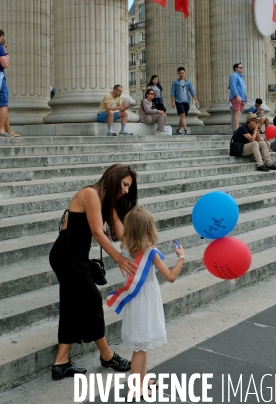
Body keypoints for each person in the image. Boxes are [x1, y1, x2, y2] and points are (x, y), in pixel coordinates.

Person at [49, 164, 137, 379]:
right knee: (92, 301)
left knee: (72, 305)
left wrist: (142, 249)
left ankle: (61, 362)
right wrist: (118, 258)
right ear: (115, 178)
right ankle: (107, 356)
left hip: (76, 257)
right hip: (66, 255)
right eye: (125, 184)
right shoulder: (90, 193)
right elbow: (98, 233)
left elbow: (119, 229)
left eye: (128, 187)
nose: (126, 190)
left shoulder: (107, 202)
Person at [115, 207, 185, 399]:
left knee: (143, 343)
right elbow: (170, 276)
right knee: (140, 347)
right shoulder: (150, 253)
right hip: (145, 300)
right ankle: (134, 388)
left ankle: (143, 379)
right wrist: (181, 257)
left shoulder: (126, 248)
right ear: (149, 228)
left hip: (135, 299)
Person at [171, 67, 199, 135]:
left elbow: (192, 91)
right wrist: (173, 102)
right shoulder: (175, 82)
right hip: (178, 101)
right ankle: (186, 129)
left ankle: (178, 129)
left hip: (186, 101)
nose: (181, 74)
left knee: (183, 116)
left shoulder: (188, 82)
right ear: (178, 74)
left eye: (182, 73)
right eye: (180, 73)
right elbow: (173, 93)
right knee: (182, 115)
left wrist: (196, 100)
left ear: (185, 73)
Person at [228, 63, 247, 131]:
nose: (242, 68)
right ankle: (236, 129)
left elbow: (243, 88)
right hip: (236, 96)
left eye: (242, 67)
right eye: (240, 67)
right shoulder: (234, 76)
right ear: (236, 68)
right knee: (237, 112)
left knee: (239, 113)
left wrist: (245, 96)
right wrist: (237, 95)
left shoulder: (241, 77)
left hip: (242, 97)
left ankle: (236, 128)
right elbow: (233, 86)